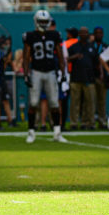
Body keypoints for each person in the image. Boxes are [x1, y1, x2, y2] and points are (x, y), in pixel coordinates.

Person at [23, 10, 67, 143]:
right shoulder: (30, 36)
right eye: (41, 21)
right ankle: (31, 132)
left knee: (54, 103)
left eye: (45, 21)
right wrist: (26, 74)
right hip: (36, 71)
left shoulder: (54, 35)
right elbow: (26, 56)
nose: (43, 24)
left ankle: (57, 133)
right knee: (34, 103)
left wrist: (63, 72)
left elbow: (60, 55)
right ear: (36, 21)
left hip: (51, 72)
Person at [67, 27, 98, 130]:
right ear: (79, 34)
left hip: (89, 78)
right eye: (82, 33)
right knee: (75, 102)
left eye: (86, 33)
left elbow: (96, 62)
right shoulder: (73, 47)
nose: (84, 35)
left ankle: (88, 122)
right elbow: (67, 59)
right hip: (76, 78)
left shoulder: (91, 47)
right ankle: (74, 123)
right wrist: (75, 56)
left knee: (89, 102)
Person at [92, 27, 109, 129]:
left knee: (102, 101)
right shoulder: (90, 46)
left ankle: (102, 121)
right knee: (91, 101)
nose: (99, 35)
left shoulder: (106, 47)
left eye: (100, 33)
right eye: (97, 33)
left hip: (102, 77)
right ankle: (91, 121)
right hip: (92, 76)